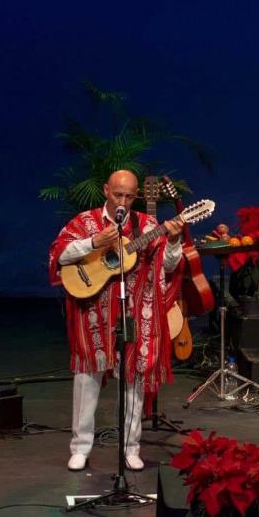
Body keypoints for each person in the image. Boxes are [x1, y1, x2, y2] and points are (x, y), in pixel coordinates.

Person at [49, 170, 184, 472]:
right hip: (93, 312)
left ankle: (130, 447)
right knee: (87, 379)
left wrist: (173, 241)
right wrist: (94, 242)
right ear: (106, 191)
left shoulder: (147, 226)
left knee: (133, 378)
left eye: (128, 196)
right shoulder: (84, 222)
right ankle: (80, 447)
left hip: (134, 314)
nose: (122, 201)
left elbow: (170, 266)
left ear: (136, 196)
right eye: (117, 194)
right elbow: (60, 254)